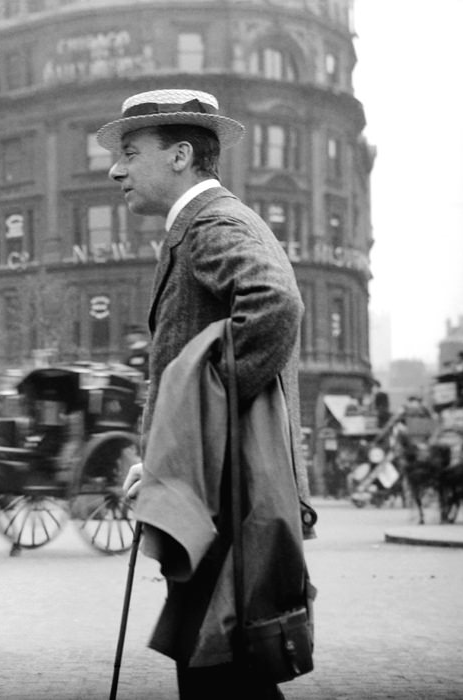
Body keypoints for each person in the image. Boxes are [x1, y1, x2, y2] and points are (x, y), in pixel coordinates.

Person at [98, 89, 313, 699]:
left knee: (218, 676)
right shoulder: (203, 224)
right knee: (222, 673)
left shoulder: (213, 223)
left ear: (180, 155)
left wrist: (190, 434)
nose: (116, 169)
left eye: (130, 152)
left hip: (221, 500)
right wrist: (163, 453)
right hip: (213, 495)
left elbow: (275, 304)